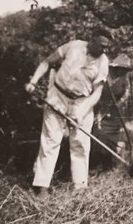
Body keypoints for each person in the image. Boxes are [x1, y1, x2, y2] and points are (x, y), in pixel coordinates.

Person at [24, 30, 111, 198]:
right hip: (58, 96)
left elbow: (97, 94)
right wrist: (33, 81)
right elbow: (47, 62)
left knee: (80, 143)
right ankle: (42, 186)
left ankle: (80, 188)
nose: (104, 50)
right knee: (50, 140)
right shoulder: (74, 46)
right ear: (92, 40)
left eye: (106, 47)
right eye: (101, 46)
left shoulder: (103, 62)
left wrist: (80, 112)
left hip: (83, 102)